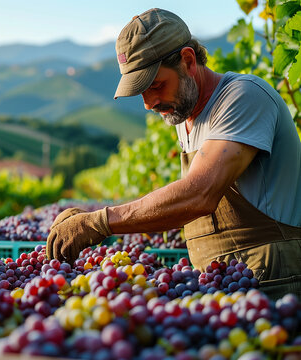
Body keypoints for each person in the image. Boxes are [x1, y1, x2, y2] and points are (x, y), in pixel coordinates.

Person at [46, 8, 301, 300]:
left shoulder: (244, 97)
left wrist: (100, 221)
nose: (148, 103)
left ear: (188, 61)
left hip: (271, 283)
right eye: (140, 91)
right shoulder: (186, 116)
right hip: (224, 284)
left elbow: (199, 195)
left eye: (155, 85)